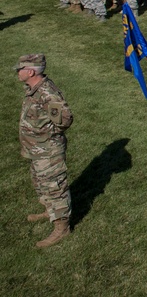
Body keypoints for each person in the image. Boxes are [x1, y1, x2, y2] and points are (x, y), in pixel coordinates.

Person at [18, 54, 74, 248]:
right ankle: (50, 211)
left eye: (20, 68)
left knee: (55, 187)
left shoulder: (46, 93)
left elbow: (65, 119)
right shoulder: (33, 89)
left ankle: (62, 228)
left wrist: (48, 135)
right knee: (40, 181)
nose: (18, 71)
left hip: (48, 150)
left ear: (31, 71)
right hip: (37, 149)